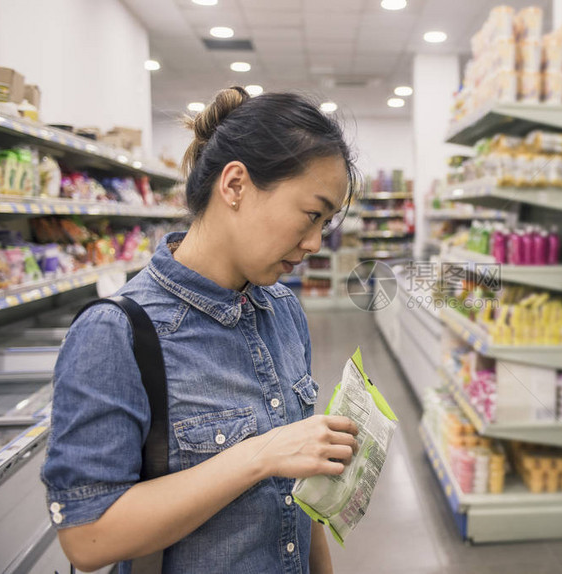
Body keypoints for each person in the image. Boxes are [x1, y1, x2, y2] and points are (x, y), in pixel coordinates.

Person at [41, 87, 360, 573]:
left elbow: (300, 488)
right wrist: (262, 454)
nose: (316, 241)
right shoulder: (117, 333)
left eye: (327, 222)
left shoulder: (282, 309)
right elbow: (88, 538)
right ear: (234, 185)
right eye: (312, 214)